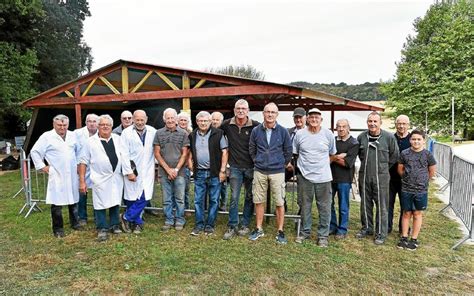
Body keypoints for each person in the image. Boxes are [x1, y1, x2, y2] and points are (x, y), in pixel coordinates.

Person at [30, 114, 81, 238]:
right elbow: (35, 152)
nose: (62, 127)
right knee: (56, 202)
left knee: (73, 199)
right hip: (57, 173)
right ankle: (58, 228)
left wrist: (79, 164)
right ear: (54, 124)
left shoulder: (73, 136)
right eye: (59, 125)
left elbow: (79, 150)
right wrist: (43, 166)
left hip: (72, 172)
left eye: (64, 125)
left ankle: (75, 223)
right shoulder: (47, 137)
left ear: (68, 125)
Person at [248, 103, 292, 244]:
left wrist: (282, 164)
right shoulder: (256, 131)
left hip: (277, 171)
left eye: (273, 112)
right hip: (260, 170)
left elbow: (288, 150)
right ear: (263, 113)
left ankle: (280, 230)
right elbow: (252, 148)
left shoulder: (283, 131)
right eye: (268, 112)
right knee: (258, 200)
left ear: (277, 114)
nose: (270, 114)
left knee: (279, 201)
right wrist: (257, 160)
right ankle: (259, 228)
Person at [294, 108, 336, 247]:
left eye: (317, 117)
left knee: (324, 207)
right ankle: (305, 232)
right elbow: (296, 153)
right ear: (307, 119)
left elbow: (332, 154)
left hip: (323, 178)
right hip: (305, 177)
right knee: (305, 206)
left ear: (321, 120)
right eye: (311, 117)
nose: (314, 119)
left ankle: (323, 236)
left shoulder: (328, 134)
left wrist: (321, 165)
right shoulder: (300, 134)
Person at [356, 111, 399, 245]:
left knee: (382, 205)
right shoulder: (361, 137)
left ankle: (381, 232)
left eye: (375, 121)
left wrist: (383, 168)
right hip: (365, 175)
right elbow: (359, 155)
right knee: (365, 203)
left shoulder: (389, 137)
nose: (372, 124)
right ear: (367, 123)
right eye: (370, 121)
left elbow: (394, 156)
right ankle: (367, 228)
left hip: (382, 176)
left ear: (380, 123)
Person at [79, 115, 124, 241]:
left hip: (116, 177)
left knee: (115, 200)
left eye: (107, 125)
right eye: (102, 124)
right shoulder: (90, 142)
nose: (105, 127)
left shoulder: (118, 139)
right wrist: (82, 181)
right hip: (100, 178)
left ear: (111, 127)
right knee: (100, 203)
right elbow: (83, 161)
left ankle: (115, 225)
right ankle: (102, 228)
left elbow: (124, 155)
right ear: (98, 127)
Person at [221, 99, 259, 240]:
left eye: (243, 108)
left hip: (251, 167)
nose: (241, 111)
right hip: (235, 167)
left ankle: (245, 224)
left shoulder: (256, 126)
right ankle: (232, 225)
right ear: (234, 110)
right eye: (238, 108)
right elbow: (215, 136)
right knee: (234, 198)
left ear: (248, 110)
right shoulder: (226, 125)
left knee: (249, 197)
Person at [188, 111, 228, 235]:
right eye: (200, 121)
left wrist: (222, 171)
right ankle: (199, 225)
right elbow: (190, 152)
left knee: (214, 200)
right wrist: (190, 165)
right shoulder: (192, 135)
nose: (203, 123)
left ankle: (210, 225)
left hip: (215, 172)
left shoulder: (219, 133)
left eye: (205, 121)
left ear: (210, 122)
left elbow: (225, 152)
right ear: (197, 122)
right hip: (199, 172)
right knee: (198, 200)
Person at [397, 129, 436, 250]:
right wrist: (406, 178)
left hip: (421, 190)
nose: (416, 141)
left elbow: (432, 171)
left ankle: (414, 238)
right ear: (410, 140)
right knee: (406, 213)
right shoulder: (404, 153)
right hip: (406, 188)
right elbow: (400, 169)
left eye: (419, 139)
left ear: (423, 141)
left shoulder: (428, 155)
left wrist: (423, 181)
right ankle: (404, 237)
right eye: (413, 139)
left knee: (417, 213)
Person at [120, 110, 157, 234]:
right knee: (131, 197)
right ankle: (137, 223)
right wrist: (129, 171)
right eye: (137, 120)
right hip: (132, 169)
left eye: (142, 120)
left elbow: (156, 150)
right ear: (133, 120)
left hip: (147, 169)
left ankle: (126, 217)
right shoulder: (126, 133)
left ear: (146, 119)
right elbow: (123, 154)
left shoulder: (153, 131)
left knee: (144, 196)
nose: (140, 122)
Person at [154, 108, 190, 231]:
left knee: (179, 198)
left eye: (172, 118)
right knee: (167, 198)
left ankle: (180, 219)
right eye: (167, 118)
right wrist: (168, 170)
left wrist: (175, 169)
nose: (170, 120)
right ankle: (169, 219)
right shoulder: (158, 133)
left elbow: (185, 154)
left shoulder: (183, 133)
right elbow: (157, 154)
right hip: (164, 172)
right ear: (164, 119)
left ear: (176, 119)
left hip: (179, 172)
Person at [329, 119, 359, 239]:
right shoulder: (332, 140)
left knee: (343, 205)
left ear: (348, 128)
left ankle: (342, 229)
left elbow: (347, 163)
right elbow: (325, 156)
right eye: (338, 126)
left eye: (343, 126)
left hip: (344, 179)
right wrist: (338, 156)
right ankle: (332, 226)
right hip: (330, 177)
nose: (341, 129)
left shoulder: (353, 143)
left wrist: (333, 158)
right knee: (328, 203)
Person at [74, 113, 99, 226]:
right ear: (86, 122)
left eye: (94, 121)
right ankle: (82, 216)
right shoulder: (77, 134)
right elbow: (72, 149)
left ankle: (97, 215)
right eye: (89, 121)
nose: (92, 124)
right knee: (82, 192)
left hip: (96, 167)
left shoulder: (101, 134)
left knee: (97, 192)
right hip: (81, 166)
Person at [388, 114, 411, 234]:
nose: (401, 126)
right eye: (399, 123)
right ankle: (387, 227)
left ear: (408, 125)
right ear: (396, 124)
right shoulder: (390, 138)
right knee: (388, 204)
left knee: (405, 205)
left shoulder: (413, 139)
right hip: (390, 178)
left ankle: (403, 228)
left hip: (406, 179)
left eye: (404, 124)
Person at [286, 107, 307, 213]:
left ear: (305, 118)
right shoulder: (288, 132)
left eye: (300, 117)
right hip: (289, 162)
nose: (298, 120)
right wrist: (287, 162)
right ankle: (282, 203)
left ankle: (302, 210)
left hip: (303, 164)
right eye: (296, 118)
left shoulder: (309, 132)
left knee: (302, 187)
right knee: (277, 180)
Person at [211, 111, 228, 211]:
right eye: (213, 119)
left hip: (222, 163)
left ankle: (223, 203)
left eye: (217, 120)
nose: (215, 122)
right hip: (211, 164)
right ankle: (214, 204)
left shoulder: (224, 133)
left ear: (221, 121)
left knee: (223, 185)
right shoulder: (207, 131)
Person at [177, 112, 193, 213]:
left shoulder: (191, 134)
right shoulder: (174, 132)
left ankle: (186, 208)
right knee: (176, 190)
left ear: (188, 122)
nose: (183, 122)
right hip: (175, 164)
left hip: (186, 165)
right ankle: (176, 208)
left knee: (185, 189)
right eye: (181, 120)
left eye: (185, 120)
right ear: (177, 121)